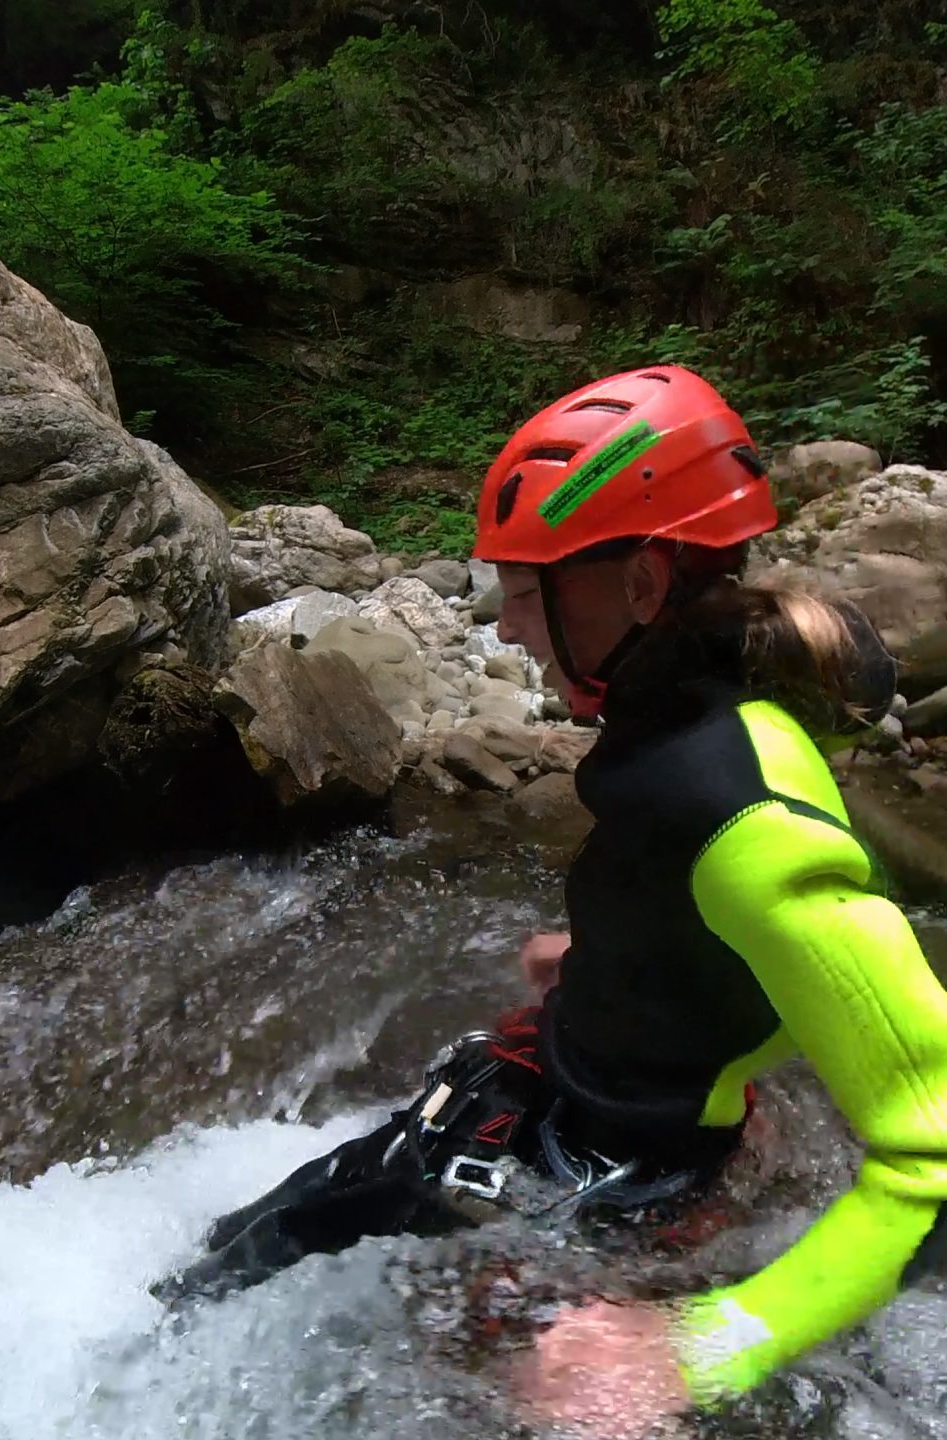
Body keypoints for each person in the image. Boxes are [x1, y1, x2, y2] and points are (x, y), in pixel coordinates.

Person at [157, 366, 947, 1435]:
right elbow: (711, 912)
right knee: (234, 1259)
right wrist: (613, 953)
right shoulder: (689, 704)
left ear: (641, 585)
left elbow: (932, 1159)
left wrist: (695, 1348)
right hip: (560, 1095)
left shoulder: (750, 824)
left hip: (631, 1175)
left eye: (529, 593)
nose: (507, 632)